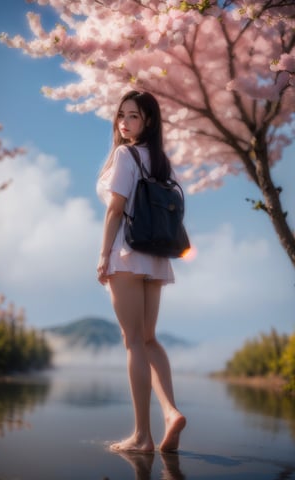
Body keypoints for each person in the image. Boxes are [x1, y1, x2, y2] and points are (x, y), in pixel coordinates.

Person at [96, 90, 186, 453]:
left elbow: (115, 208)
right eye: (121, 115)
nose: (124, 122)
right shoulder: (162, 161)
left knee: (133, 341)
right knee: (149, 338)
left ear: (148, 121)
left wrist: (104, 255)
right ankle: (170, 411)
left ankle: (142, 437)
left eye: (132, 116)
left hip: (128, 253)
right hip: (156, 256)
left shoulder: (125, 154)